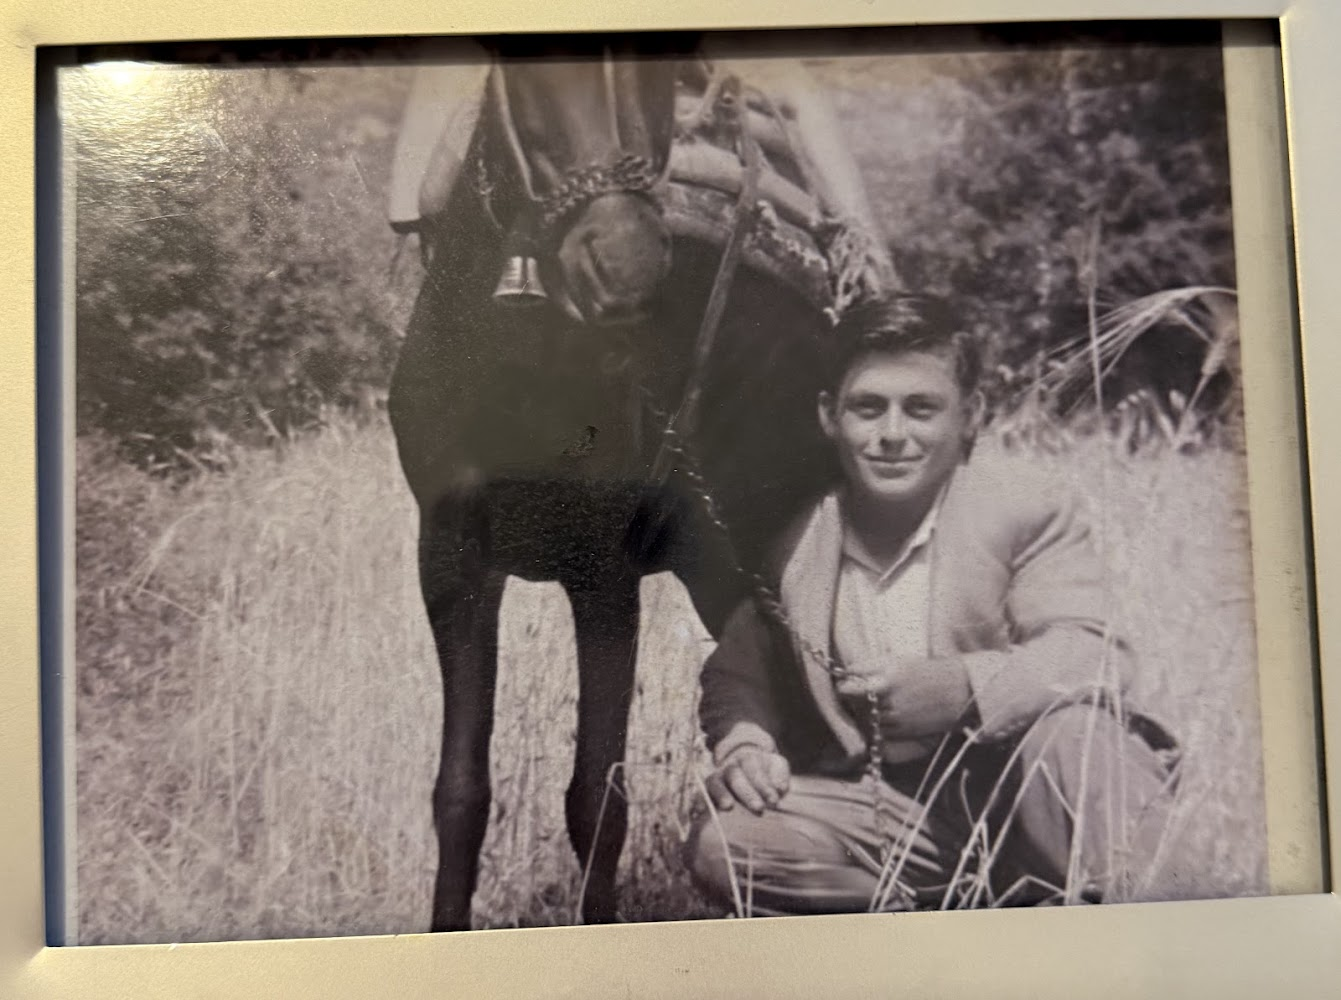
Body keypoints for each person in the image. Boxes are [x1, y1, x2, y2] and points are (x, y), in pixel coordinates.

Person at [684, 294, 1179, 914]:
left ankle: (1160, 933)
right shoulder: (795, 541)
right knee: (725, 840)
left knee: (1073, 730)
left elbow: (1092, 655)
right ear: (828, 417)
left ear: (970, 415)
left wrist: (964, 688)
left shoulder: (1024, 510)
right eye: (868, 409)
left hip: (1030, 792)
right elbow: (738, 667)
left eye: (921, 409)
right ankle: (936, 946)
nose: (893, 435)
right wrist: (746, 745)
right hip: (900, 815)